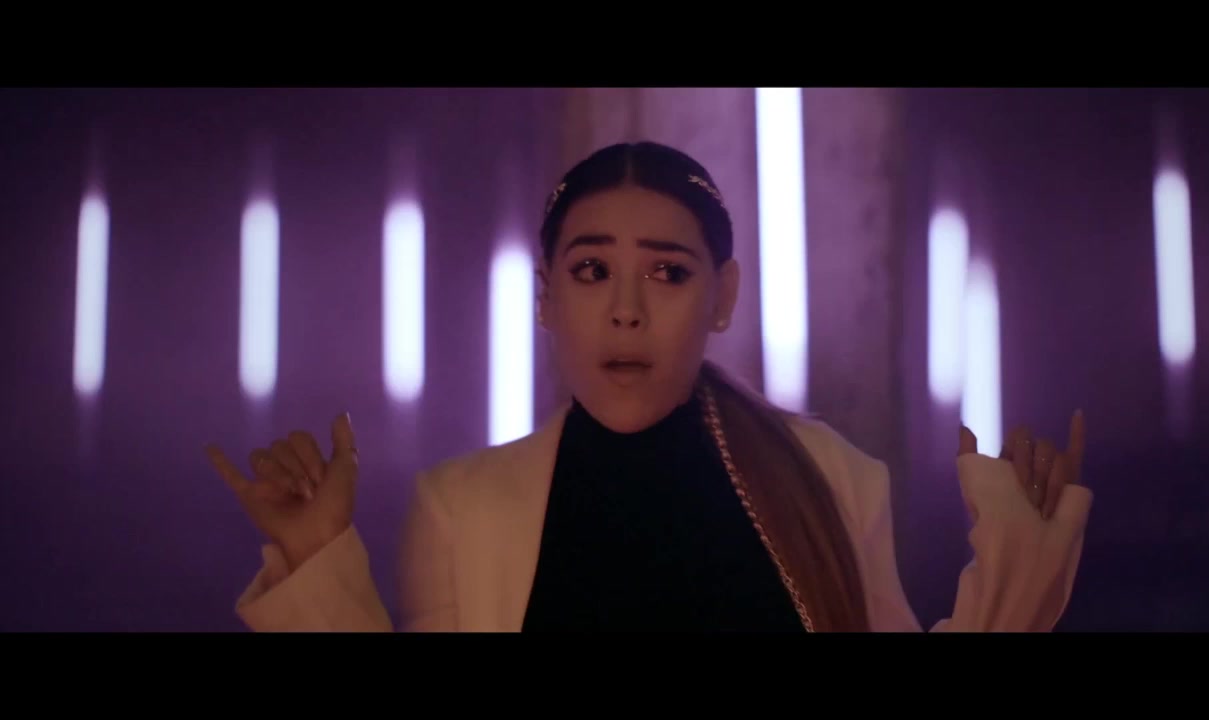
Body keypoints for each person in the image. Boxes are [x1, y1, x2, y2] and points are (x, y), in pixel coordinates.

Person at [205, 141, 1092, 632]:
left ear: (723, 297)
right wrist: (316, 562)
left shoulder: (829, 475)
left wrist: (1023, 556)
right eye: (591, 272)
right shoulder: (461, 507)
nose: (626, 312)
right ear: (545, 297)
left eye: (668, 273)